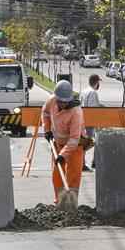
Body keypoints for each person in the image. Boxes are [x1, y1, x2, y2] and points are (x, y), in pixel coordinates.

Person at [42, 80, 86, 208]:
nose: (62, 104)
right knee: (57, 172)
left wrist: (62, 155)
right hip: (58, 142)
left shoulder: (76, 112)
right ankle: (59, 201)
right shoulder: (52, 101)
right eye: (59, 101)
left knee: (73, 174)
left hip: (75, 146)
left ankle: (70, 204)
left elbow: (74, 139)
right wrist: (47, 130)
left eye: (64, 102)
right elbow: (44, 113)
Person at [80, 74, 102, 171]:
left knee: (83, 142)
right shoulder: (93, 93)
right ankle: (90, 163)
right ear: (96, 82)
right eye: (98, 82)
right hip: (90, 121)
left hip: (82, 120)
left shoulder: (84, 91)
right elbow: (94, 109)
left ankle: (83, 162)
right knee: (90, 142)